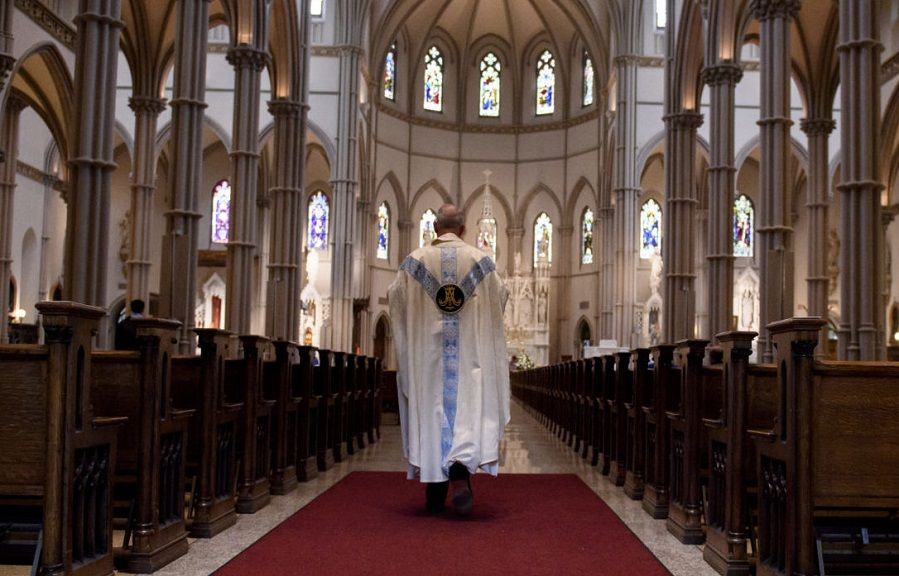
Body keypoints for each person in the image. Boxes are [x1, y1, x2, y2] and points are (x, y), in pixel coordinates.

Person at [388, 204, 510, 516]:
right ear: (464, 229)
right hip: (469, 360)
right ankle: (459, 476)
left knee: (433, 413)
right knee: (465, 413)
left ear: (434, 228)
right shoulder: (481, 262)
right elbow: (501, 297)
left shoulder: (414, 263)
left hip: (427, 363)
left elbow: (396, 300)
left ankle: (435, 482)